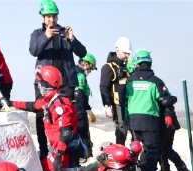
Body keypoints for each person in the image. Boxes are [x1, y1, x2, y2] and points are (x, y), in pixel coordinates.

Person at [12, 64, 88, 171]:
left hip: (68, 150)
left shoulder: (60, 103)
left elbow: (66, 132)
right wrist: (11, 103)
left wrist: (59, 155)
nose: (38, 85)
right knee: (43, 168)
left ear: (45, 83)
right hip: (58, 149)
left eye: (40, 82)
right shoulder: (48, 100)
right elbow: (33, 106)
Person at [29, 0, 86, 157]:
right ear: (42, 17)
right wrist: (46, 37)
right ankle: (44, 151)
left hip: (65, 83)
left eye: (54, 16)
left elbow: (82, 53)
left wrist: (72, 39)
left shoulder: (65, 34)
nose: (51, 20)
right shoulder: (37, 34)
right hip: (44, 84)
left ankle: (69, 152)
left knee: (67, 117)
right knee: (42, 116)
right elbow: (33, 50)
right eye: (48, 17)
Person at [124, 49, 176, 171]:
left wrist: (126, 121)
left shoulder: (129, 82)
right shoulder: (156, 81)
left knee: (136, 148)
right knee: (152, 149)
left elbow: (124, 101)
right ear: (150, 63)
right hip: (150, 119)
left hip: (134, 120)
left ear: (137, 64)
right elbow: (165, 100)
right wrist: (169, 113)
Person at [99, 36, 131, 145]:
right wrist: (107, 105)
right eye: (125, 52)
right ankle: (121, 158)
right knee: (121, 133)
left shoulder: (129, 67)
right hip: (118, 106)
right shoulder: (108, 67)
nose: (127, 55)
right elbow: (104, 87)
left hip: (131, 105)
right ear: (117, 51)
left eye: (129, 53)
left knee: (136, 135)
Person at [158, 92, 192, 171]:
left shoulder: (155, 86)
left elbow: (167, 103)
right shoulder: (157, 85)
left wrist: (167, 115)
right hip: (168, 123)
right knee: (167, 149)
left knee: (161, 148)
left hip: (164, 124)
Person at [73, 53, 95, 154]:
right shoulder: (80, 74)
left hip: (74, 109)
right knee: (83, 134)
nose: (90, 71)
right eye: (91, 68)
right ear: (86, 64)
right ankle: (84, 154)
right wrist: (89, 111)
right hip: (79, 110)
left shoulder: (73, 71)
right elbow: (80, 95)